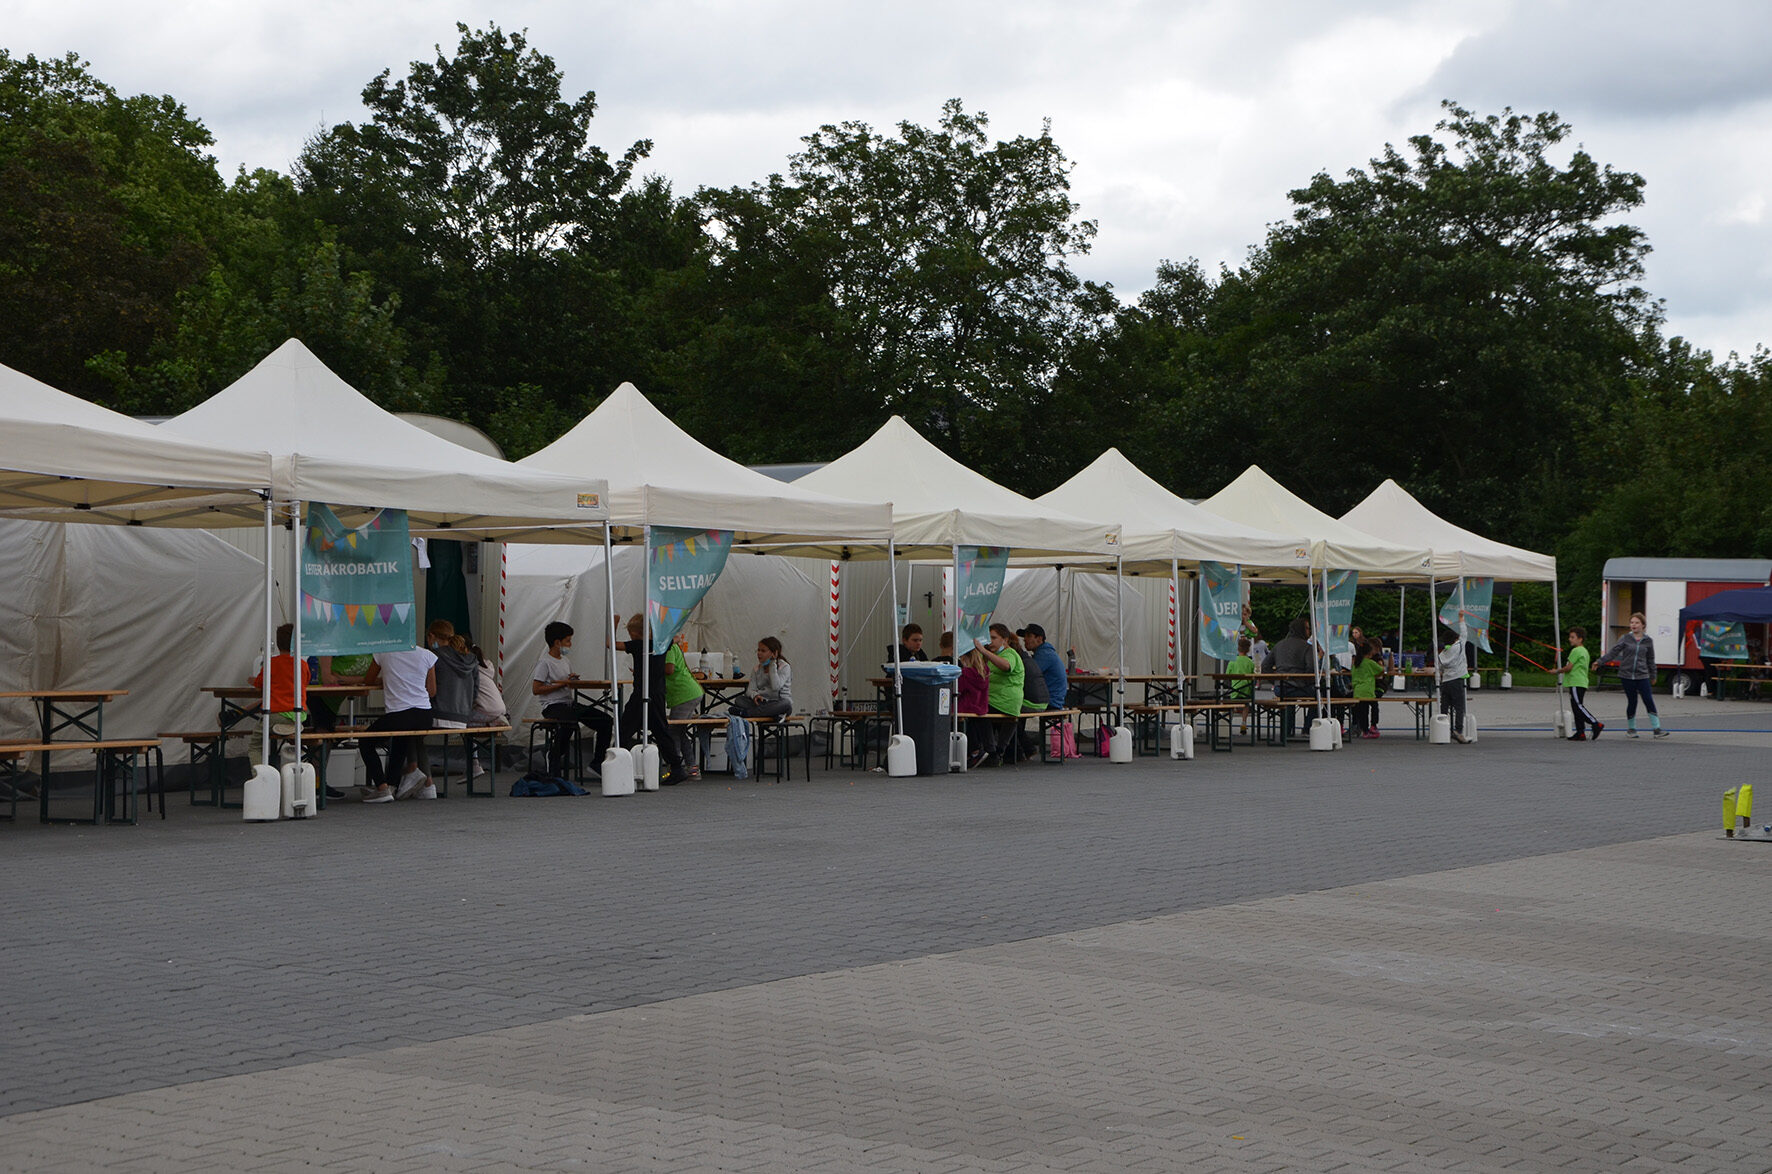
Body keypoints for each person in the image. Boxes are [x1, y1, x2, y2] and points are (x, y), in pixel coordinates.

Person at [532, 621, 612, 779]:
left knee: (605, 721)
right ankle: (554, 757)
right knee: (569, 721)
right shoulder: (544, 662)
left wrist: (571, 680)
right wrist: (562, 684)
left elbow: (565, 683)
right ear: (557, 642)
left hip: (569, 703)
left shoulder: (565, 661)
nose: (570, 644)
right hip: (552, 706)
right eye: (568, 640)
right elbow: (536, 689)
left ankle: (597, 762)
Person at [360, 640, 438, 801]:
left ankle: (381, 787)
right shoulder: (427, 655)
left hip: (400, 713)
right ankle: (392, 785)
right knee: (401, 739)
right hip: (425, 714)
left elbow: (368, 680)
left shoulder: (384, 652)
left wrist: (388, 679)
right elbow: (431, 691)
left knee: (366, 741)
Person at [614, 615, 687, 784]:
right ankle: (676, 766)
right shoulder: (661, 644)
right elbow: (676, 638)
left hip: (641, 692)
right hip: (658, 692)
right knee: (660, 729)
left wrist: (614, 623)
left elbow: (611, 644)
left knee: (625, 728)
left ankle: (617, 762)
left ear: (635, 633)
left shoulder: (638, 645)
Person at [1599, 612, 1666, 738]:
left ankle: (1657, 728)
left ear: (1643, 625)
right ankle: (1631, 729)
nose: (1633, 625)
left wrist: (1653, 675)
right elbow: (1614, 652)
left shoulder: (1648, 641)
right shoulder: (1625, 638)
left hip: (1642, 675)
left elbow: (1651, 659)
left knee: (1648, 699)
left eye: (1636, 623)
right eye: (1631, 623)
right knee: (1632, 701)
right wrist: (1600, 661)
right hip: (1627, 675)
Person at [249, 623, 309, 739]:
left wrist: (253, 681)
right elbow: (305, 681)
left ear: (277, 643)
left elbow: (260, 684)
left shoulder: (271, 664)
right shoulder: (302, 664)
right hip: (299, 715)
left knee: (257, 740)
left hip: (277, 713)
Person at [977, 624, 1026, 762]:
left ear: (1005, 640)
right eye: (988, 638)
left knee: (978, 713)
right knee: (978, 710)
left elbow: (1006, 666)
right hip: (998, 700)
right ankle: (998, 750)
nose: (990, 641)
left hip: (1005, 701)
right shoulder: (995, 655)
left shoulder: (1010, 654)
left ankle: (990, 751)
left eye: (994, 638)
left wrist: (984, 651)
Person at [664, 633, 705, 779]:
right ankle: (692, 767)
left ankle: (676, 767)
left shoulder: (668, 647)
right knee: (679, 731)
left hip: (684, 693)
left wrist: (650, 668)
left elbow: (669, 669)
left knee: (673, 731)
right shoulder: (671, 646)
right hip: (689, 692)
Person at [730, 636, 793, 721]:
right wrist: (755, 695)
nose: (759, 653)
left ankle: (748, 713)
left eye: (763, 651)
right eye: (758, 650)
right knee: (739, 700)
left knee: (786, 703)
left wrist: (772, 664)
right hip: (762, 703)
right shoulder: (757, 669)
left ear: (774, 653)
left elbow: (775, 687)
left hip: (778, 703)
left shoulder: (784, 667)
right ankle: (771, 714)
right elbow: (750, 690)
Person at [1558, 626, 1602, 741]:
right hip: (1581, 681)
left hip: (1576, 681)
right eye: (1570, 637)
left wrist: (1557, 671)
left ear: (1580, 639)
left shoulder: (1576, 651)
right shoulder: (1584, 651)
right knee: (1576, 707)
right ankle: (1580, 732)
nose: (1570, 639)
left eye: (1572, 637)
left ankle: (1595, 723)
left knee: (1578, 706)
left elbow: (1569, 667)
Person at [956, 645, 996, 768]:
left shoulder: (965, 673)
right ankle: (979, 750)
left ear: (964, 658)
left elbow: (958, 690)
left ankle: (973, 751)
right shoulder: (985, 671)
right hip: (981, 706)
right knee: (975, 723)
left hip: (966, 705)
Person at [1022, 623, 1068, 711]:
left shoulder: (1044, 654)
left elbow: (1027, 674)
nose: (1024, 639)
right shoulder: (1045, 652)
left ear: (1039, 639)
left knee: (1011, 706)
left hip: (1050, 702)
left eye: (1029, 636)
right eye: (1024, 636)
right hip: (1052, 700)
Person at [1436, 633, 1471, 745]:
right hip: (1457, 679)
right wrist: (1462, 622)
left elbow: (1440, 667)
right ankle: (1458, 731)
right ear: (1456, 639)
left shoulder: (1444, 652)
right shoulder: (1459, 646)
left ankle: (1442, 730)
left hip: (1446, 681)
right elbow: (1464, 634)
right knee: (1459, 707)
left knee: (1444, 706)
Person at [1349, 637, 1382, 738]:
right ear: (1369, 653)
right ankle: (1373, 726)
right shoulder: (1369, 662)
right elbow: (1381, 670)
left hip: (1358, 691)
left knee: (1363, 711)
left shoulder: (1356, 663)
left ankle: (1365, 731)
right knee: (1374, 706)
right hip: (1368, 690)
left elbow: (1353, 675)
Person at [1225, 636, 1255, 735]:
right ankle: (1243, 722)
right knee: (1246, 705)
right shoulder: (1250, 662)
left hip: (1234, 691)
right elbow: (1254, 676)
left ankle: (1228, 724)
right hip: (1246, 692)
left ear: (1237, 648)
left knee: (1232, 704)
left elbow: (1227, 675)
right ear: (1248, 649)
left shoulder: (1233, 661)